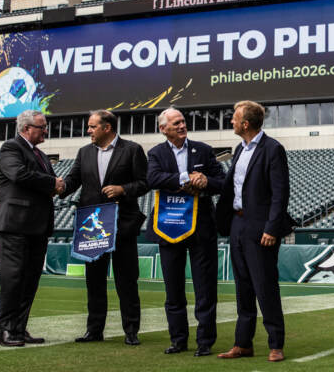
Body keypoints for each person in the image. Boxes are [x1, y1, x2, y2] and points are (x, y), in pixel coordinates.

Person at [61, 110, 149, 346]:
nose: (88, 131)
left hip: (123, 224)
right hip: (93, 226)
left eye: (92, 126)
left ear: (107, 127)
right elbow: (73, 181)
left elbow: (144, 182)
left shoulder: (132, 149)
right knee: (95, 281)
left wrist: (123, 189)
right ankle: (94, 330)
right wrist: (58, 187)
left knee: (126, 280)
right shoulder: (84, 152)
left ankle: (131, 330)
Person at [216, 100, 295, 363]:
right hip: (238, 225)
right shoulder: (239, 149)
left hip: (261, 228)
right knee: (243, 288)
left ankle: (276, 344)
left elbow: (280, 192)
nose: (231, 122)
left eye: (234, 118)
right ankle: (243, 343)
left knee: (265, 287)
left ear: (246, 123)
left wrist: (272, 228)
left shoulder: (272, 149)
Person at [146, 108, 225, 357]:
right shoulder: (155, 153)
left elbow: (222, 181)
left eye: (183, 121)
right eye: (176, 123)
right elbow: (153, 179)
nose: (182, 125)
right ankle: (178, 339)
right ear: (163, 129)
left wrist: (205, 183)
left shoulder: (203, 149)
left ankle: (205, 341)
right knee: (173, 289)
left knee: (205, 288)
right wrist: (186, 178)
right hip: (169, 227)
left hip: (201, 228)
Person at [0, 109, 63, 347]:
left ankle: (19, 327)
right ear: (27, 128)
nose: (46, 130)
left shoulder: (42, 156)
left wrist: (57, 185)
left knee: (30, 280)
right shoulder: (11, 148)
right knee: (13, 278)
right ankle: (6, 330)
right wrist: (51, 183)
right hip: (13, 224)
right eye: (42, 126)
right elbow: (18, 174)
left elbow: (51, 183)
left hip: (37, 226)